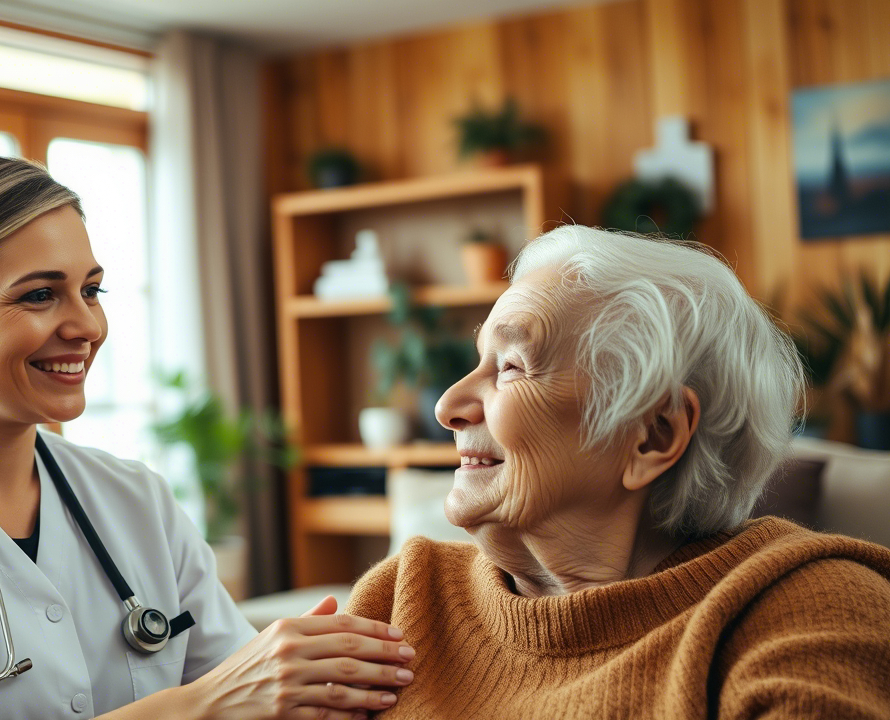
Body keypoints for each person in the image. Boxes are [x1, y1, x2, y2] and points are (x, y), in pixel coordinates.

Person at [0, 153, 415, 720]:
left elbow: (261, 701)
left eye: (92, 290)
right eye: (39, 295)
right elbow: (227, 697)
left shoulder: (134, 500)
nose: (86, 325)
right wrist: (199, 706)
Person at [345, 225, 890, 718]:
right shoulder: (406, 596)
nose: (447, 405)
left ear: (653, 435)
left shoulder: (810, 616)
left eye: (511, 366)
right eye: (479, 360)